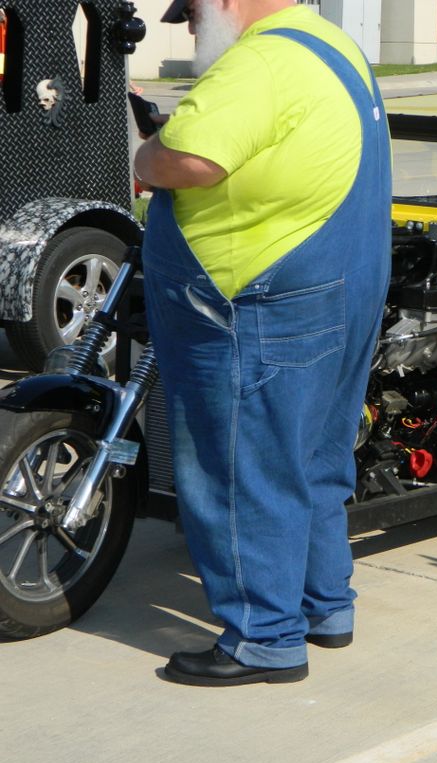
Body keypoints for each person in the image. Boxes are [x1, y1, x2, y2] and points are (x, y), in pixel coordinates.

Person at [133, 0, 391, 687]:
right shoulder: (331, 47)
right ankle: (324, 605)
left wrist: (146, 153)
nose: (192, 27)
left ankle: (263, 635)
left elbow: (189, 157)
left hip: (260, 302)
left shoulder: (260, 62)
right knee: (313, 458)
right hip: (338, 286)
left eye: (193, 12)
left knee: (239, 467)